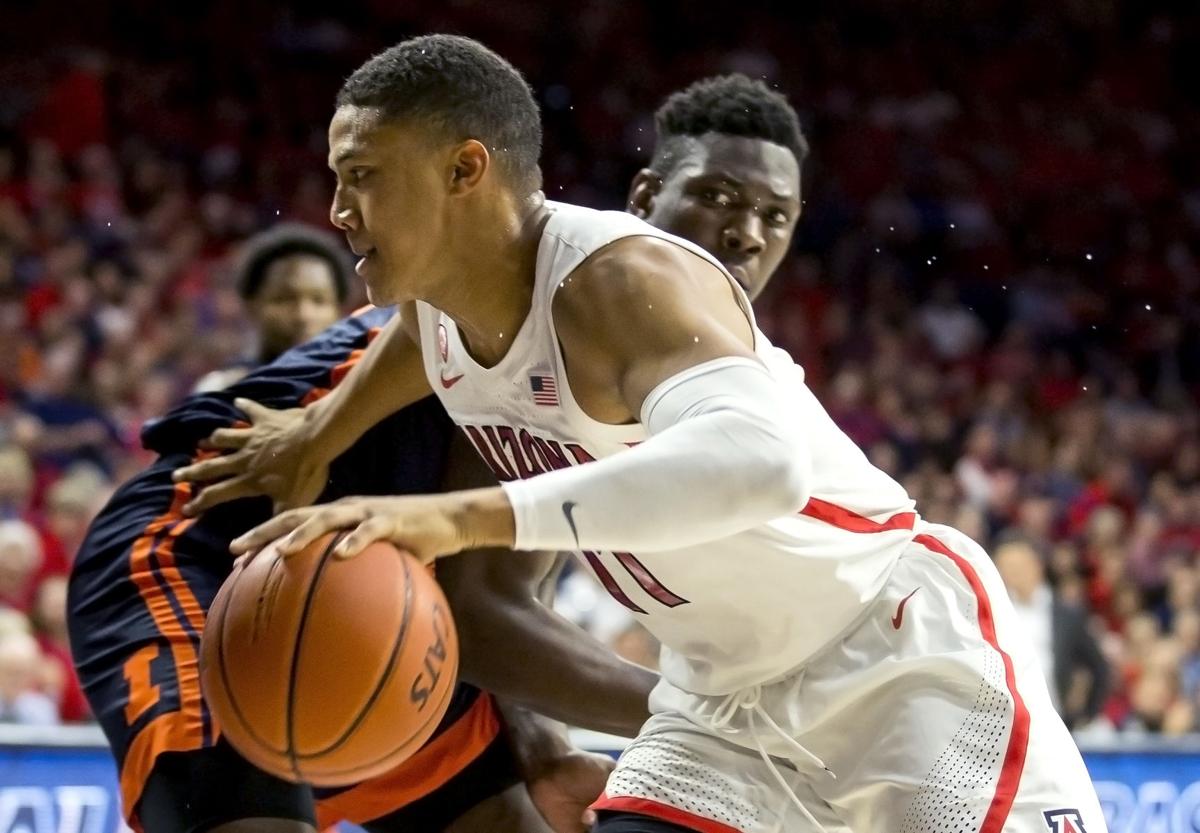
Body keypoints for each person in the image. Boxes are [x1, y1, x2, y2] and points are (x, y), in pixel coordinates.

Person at [182, 35, 1108, 833]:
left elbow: (764, 463)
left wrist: (454, 516)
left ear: (466, 170)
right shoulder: (439, 307)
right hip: (720, 700)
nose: (340, 210)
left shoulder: (621, 282)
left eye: (363, 178)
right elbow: (415, 344)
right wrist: (314, 432)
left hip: (890, 650)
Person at [70, 69, 810, 833]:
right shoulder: (553, 300)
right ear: (646, 196)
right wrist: (715, 723)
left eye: (774, 216)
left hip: (373, 588)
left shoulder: (694, 371)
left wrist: (541, 739)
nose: (744, 231)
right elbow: (482, 604)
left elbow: (499, 585)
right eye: (717, 196)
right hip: (211, 545)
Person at [193, 224, 350, 392]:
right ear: (251, 306)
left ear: (339, 310)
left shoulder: (356, 386)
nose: (303, 315)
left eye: (319, 301)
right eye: (284, 300)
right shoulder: (222, 391)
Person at [994, 539, 1110, 729]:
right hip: (1007, 722)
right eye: (1005, 567)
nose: (1012, 573)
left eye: (1017, 566)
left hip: (1056, 722)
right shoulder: (995, 613)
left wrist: (1086, 714)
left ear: (1036, 565)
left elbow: (1099, 667)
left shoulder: (1067, 614)